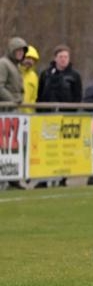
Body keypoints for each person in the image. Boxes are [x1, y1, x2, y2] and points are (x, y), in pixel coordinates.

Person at [35, 44, 82, 188]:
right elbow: (40, 94)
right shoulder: (46, 74)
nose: (63, 60)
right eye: (61, 57)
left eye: (66, 57)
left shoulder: (74, 76)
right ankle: (43, 178)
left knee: (64, 150)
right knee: (45, 149)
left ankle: (62, 177)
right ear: (55, 58)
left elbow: (77, 97)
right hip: (47, 118)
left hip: (65, 119)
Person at [0, 37, 27, 190]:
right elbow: (0, 86)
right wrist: (11, 101)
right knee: (4, 145)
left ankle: (13, 177)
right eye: (17, 50)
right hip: (5, 111)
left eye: (22, 51)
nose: (20, 53)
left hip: (14, 111)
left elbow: (19, 89)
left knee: (14, 145)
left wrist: (20, 99)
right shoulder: (4, 64)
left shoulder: (16, 67)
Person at [19, 44, 40, 114]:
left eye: (33, 59)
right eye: (28, 58)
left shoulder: (34, 76)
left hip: (28, 115)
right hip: (11, 114)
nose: (30, 61)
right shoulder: (13, 71)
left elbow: (34, 97)